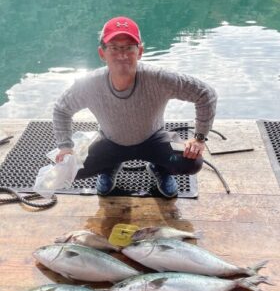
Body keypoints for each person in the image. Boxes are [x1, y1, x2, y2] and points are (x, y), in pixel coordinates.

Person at [53, 16, 217, 198]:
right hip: (110, 142)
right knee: (70, 168)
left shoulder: (159, 78)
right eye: (114, 48)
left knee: (191, 163)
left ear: (139, 52)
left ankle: (160, 168)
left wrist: (199, 138)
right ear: (102, 53)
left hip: (153, 140)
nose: (122, 55)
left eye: (129, 48)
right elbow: (61, 108)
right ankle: (109, 167)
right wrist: (65, 146)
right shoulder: (90, 84)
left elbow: (205, 93)